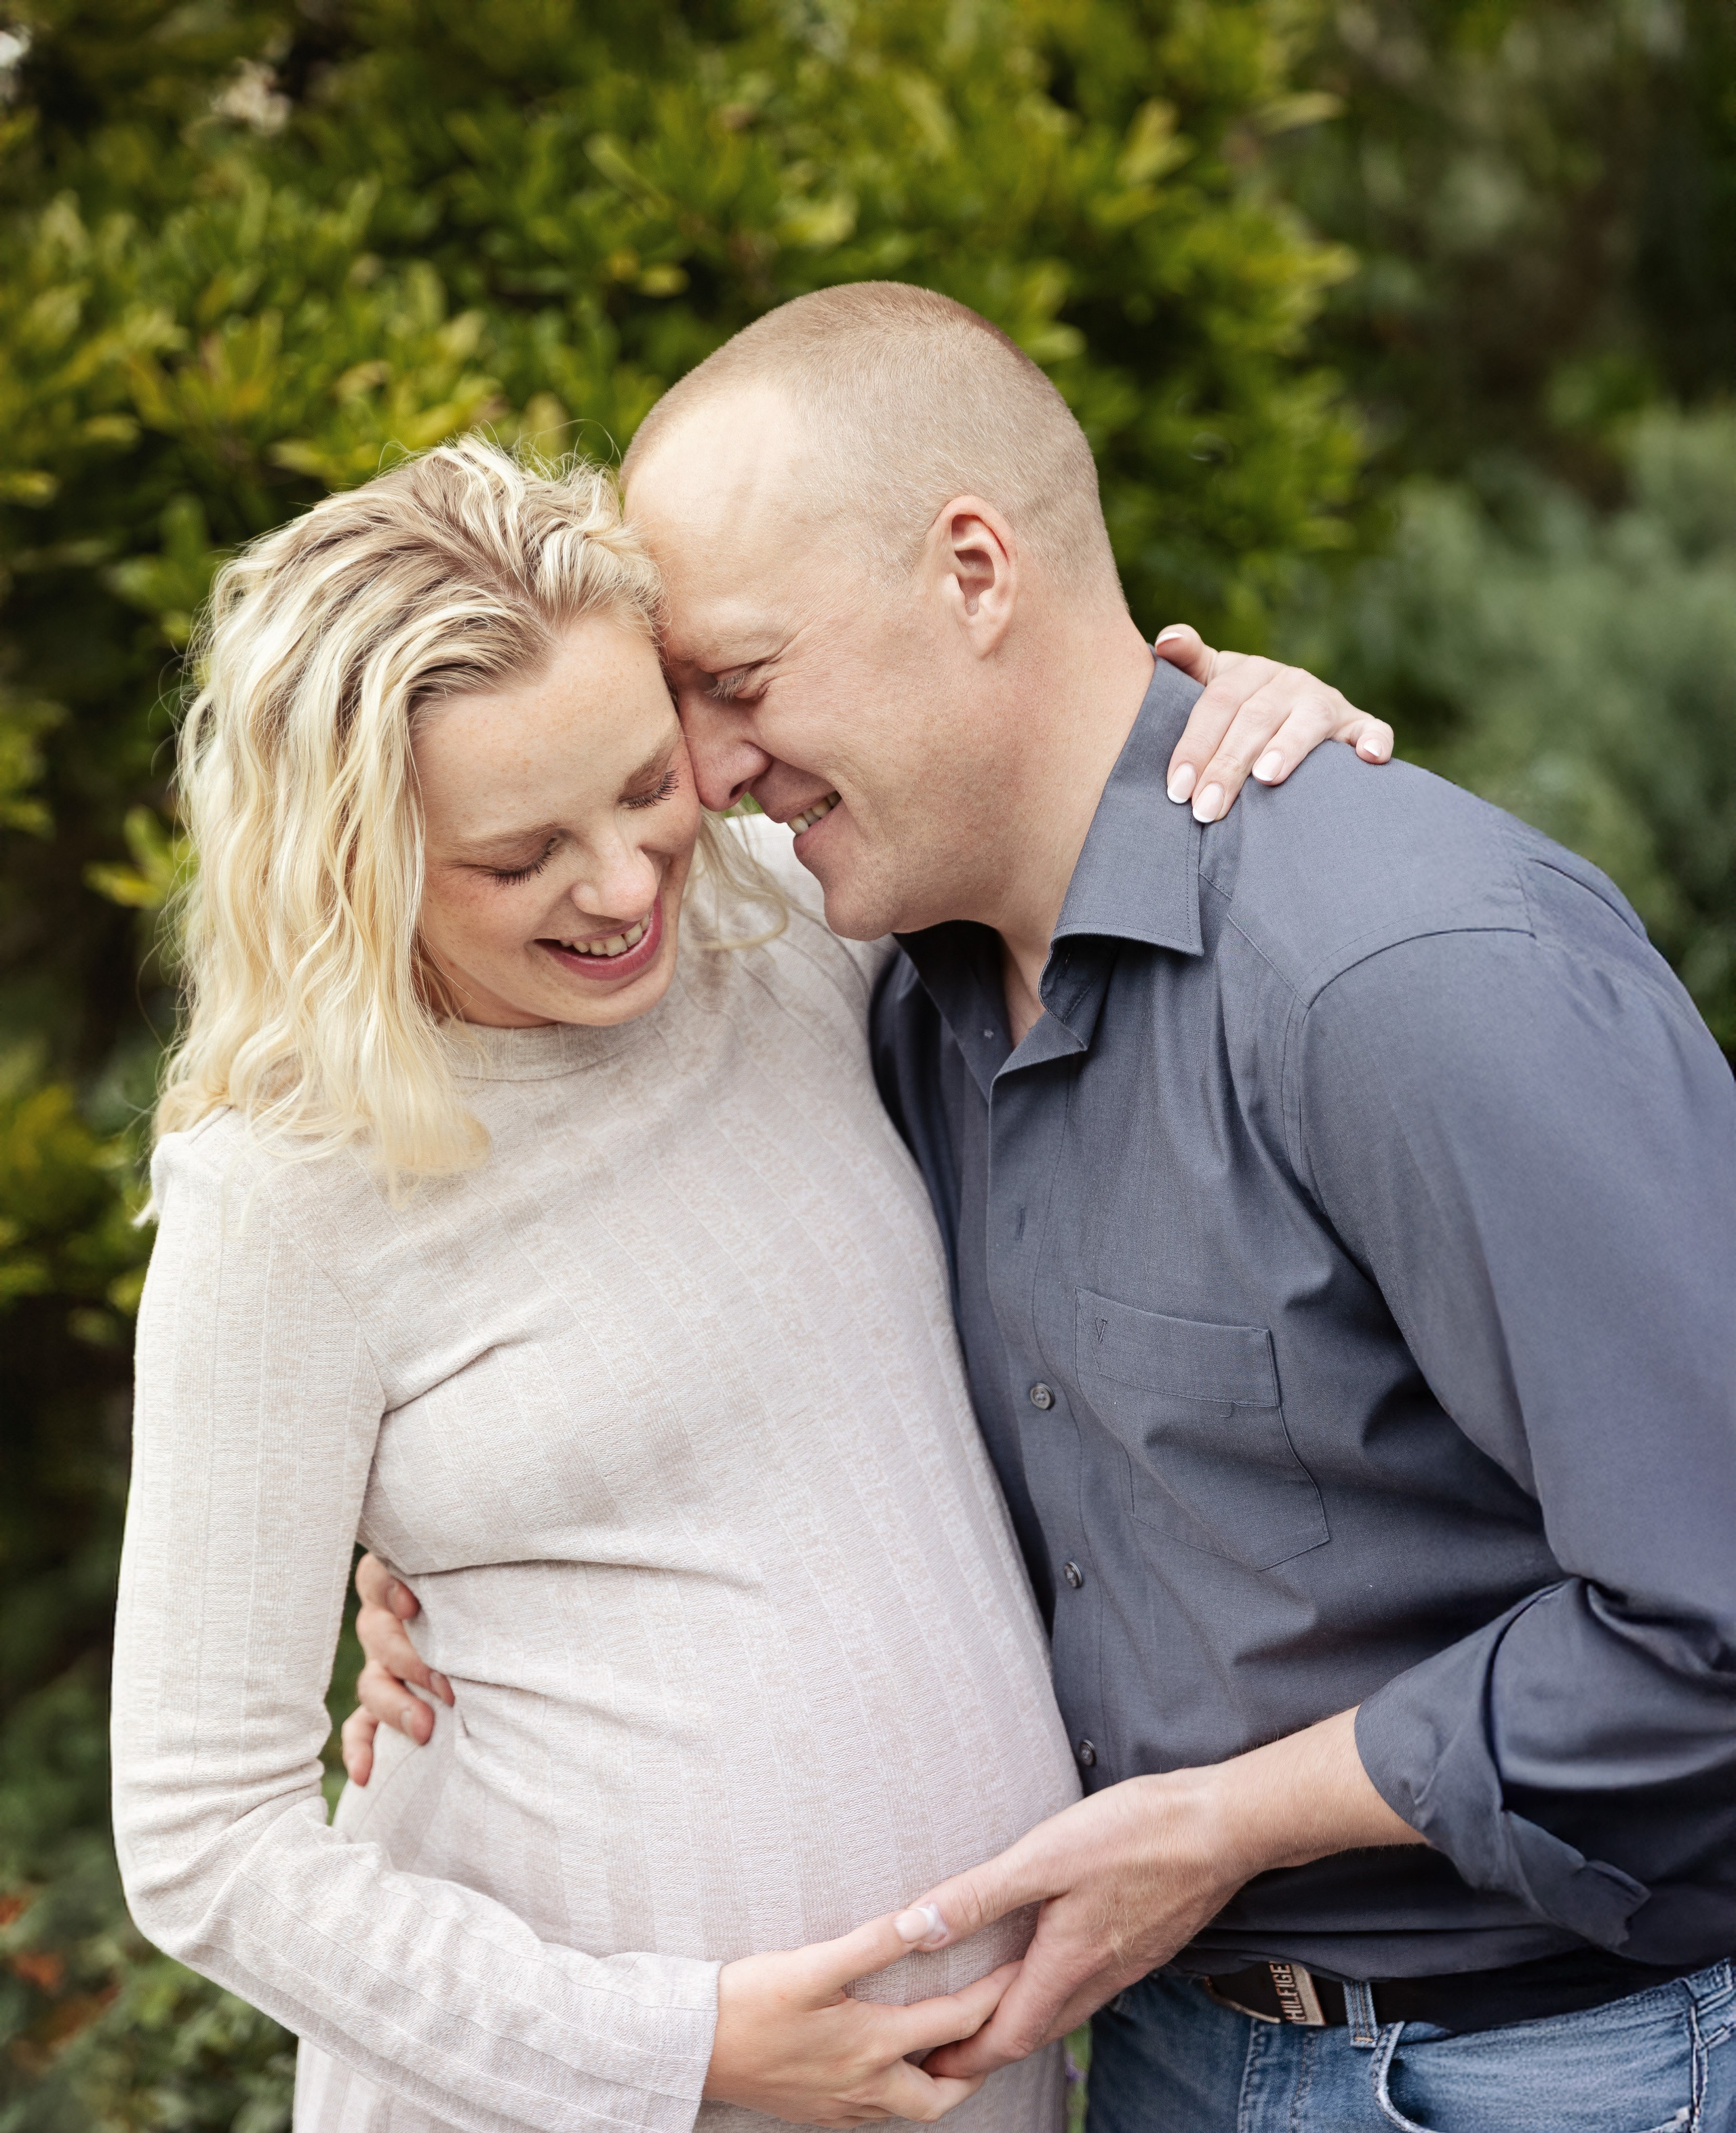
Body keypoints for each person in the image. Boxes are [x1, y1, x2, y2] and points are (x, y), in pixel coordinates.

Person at [360, 284, 1736, 2132]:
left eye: (739, 682)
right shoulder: (885, 993)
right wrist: (446, 1578)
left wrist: (1226, 1824)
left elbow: (1711, 1617)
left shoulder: (1404, 974)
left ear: (977, 573)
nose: (699, 777)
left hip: (1534, 2071)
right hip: (1156, 2054)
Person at [110, 435, 1363, 2133]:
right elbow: (202, 1839)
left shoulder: (785, 927)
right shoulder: (285, 1190)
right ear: (355, 861)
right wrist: (673, 2050)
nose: (622, 886)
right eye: (515, 855)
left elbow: (1040, 770)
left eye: (644, 786)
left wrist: (1238, 717)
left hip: (977, 2078)